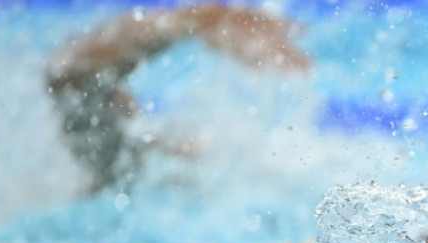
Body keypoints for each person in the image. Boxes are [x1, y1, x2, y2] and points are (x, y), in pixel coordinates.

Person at [45, 3, 310, 194]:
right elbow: (68, 74)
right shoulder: (131, 172)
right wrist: (197, 20)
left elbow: (69, 76)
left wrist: (195, 20)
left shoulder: (193, 173)